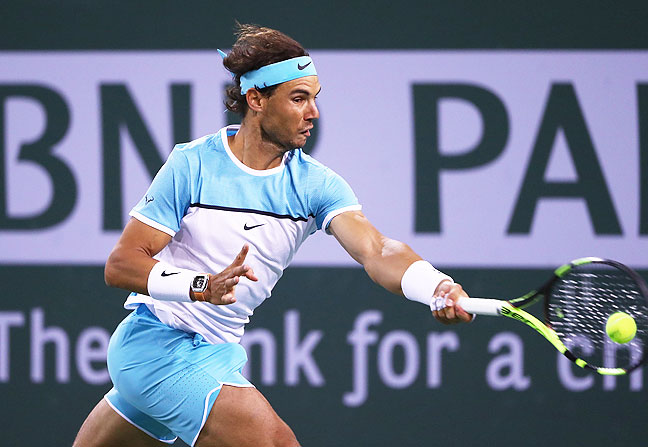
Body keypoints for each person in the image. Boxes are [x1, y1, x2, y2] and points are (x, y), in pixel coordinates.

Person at [73, 23, 472, 447]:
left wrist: (434, 285)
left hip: (213, 353)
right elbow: (121, 264)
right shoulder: (192, 164)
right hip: (156, 344)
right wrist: (200, 287)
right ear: (256, 100)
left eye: (315, 99)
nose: (313, 112)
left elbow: (377, 249)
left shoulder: (316, 185)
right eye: (299, 98)